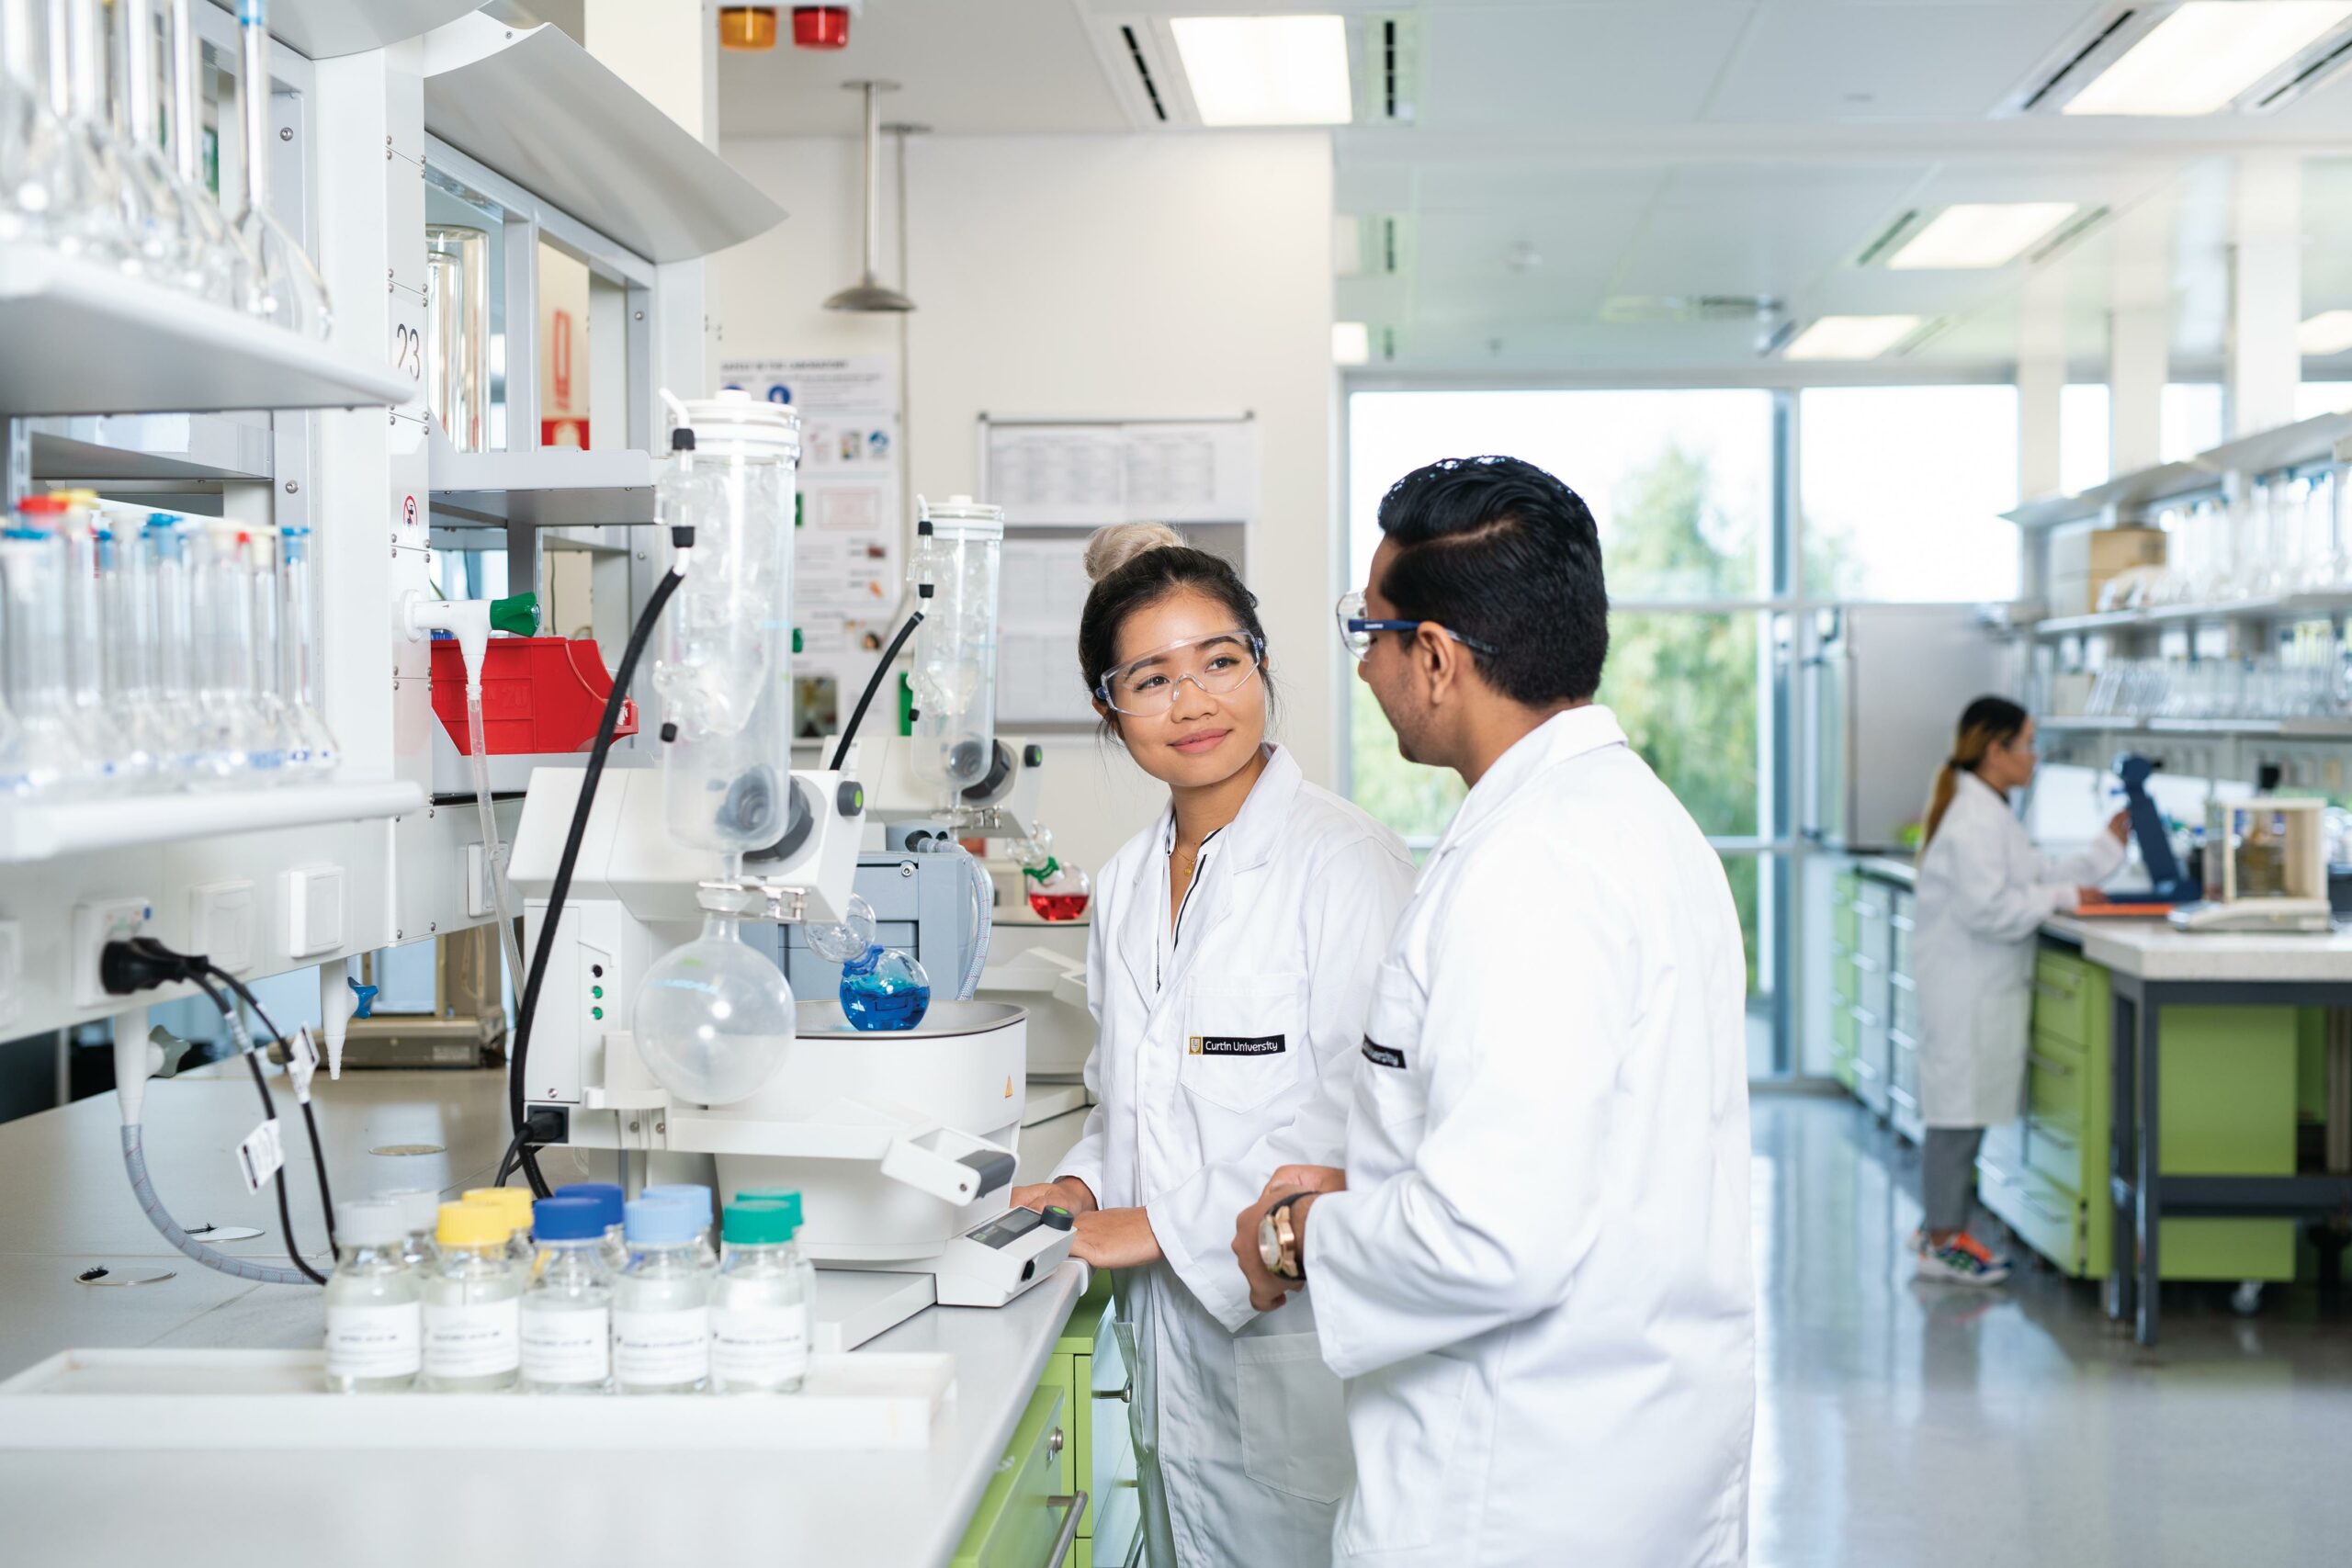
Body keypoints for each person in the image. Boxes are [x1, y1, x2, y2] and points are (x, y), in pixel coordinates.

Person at [1230, 455, 1756, 1568]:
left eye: (1367, 633)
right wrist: (1372, 1186)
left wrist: (1300, 1235)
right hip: (1623, 1447)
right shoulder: (1634, 822)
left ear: (1433, 656)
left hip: (1514, 1489)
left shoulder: (1533, 871)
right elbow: (1576, 1155)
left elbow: (1490, 1240)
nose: (1366, 670)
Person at [1008, 524, 1415, 1568]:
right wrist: (1079, 1192)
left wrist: (1155, 1227)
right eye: (1152, 678)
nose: (1194, 703)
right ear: (1109, 706)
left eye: (1221, 662)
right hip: (1170, 1343)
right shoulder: (1127, 882)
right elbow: (1124, 1098)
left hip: (1295, 1334)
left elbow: (1361, 1119)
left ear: (1263, 664)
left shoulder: (1344, 862)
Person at [1910, 695, 2125, 1286]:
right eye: (2027, 744)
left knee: (1963, 1113)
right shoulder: (1974, 818)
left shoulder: (1987, 809)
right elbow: (1990, 909)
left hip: (1977, 989)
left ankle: (1941, 1228)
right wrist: (2061, 899)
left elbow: (2033, 876)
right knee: (1955, 1119)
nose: (2034, 757)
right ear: (1994, 749)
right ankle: (1940, 1239)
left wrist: (2103, 850)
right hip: (1967, 992)